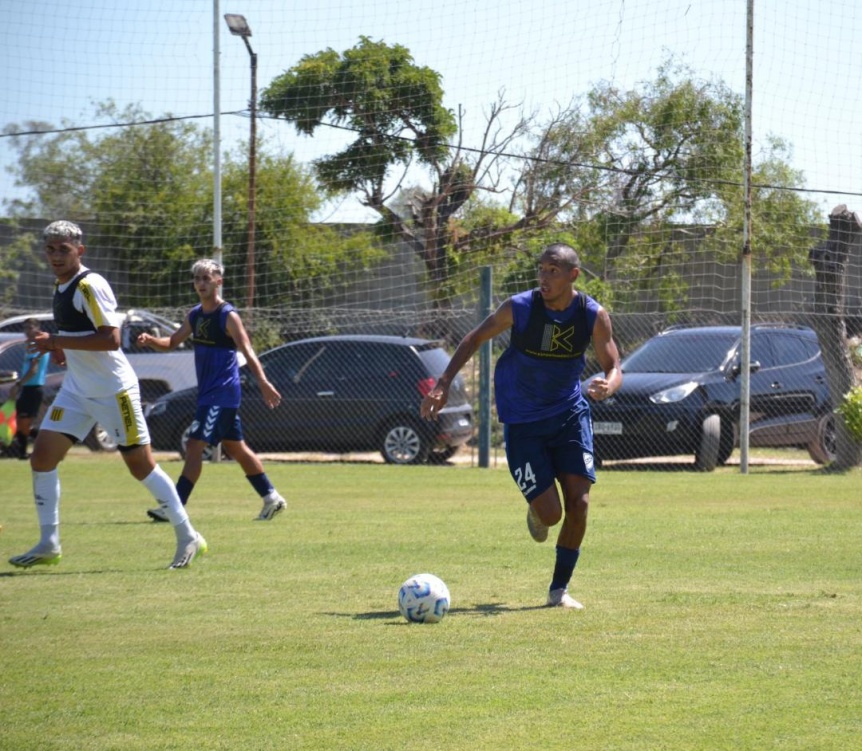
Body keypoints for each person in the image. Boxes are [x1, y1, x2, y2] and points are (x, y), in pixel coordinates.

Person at [420, 242, 622, 609]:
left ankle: (558, 591)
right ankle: (536, 507)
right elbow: (473, 338)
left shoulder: (592, 315)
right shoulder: (521, 307)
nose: (544, 277)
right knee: (551, 514)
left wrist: (608, 385)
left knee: (580, 502)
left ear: (573, 275)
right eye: (541, 269)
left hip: (569, 415)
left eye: (553, 271)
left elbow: (614, 366)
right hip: (523, 422)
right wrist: (442, 384)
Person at [8, 220, 207, 570]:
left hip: (114, 391)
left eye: (63, 249)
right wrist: (60, 349)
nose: (56, 255)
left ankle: (187, 534)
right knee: (41, 457)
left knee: (140, 466)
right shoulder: (62, 285)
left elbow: (111, 339)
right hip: (77, 389)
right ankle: (49, 543)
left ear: (79, 251)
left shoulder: (90, 284)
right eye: (51, 249)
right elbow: (78, 333)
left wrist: (56, 341)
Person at [136, 258, 286, 522]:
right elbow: (171, 342)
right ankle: (271, 497)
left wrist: (263, 382)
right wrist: (151, 341)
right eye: (197, 279)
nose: (201, 283)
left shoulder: (228, 315)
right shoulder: (195, 315)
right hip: (210, 394)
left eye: (207, 278)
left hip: (222, 392)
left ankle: (175, 506)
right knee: (237, 448)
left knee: (194, 445)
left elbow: (247, 350)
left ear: (219, 281)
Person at [10, 318, 51, 459]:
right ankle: (22, 454)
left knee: (25, 423)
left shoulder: (38, 346)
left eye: (30, 327)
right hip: (27, 388)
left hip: (34, 389)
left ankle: (52, 445)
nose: (27, 331)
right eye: (25, 328)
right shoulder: (31, 345)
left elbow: (33, 370)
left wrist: (18, 384)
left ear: (37, 328)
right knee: (21, 423)